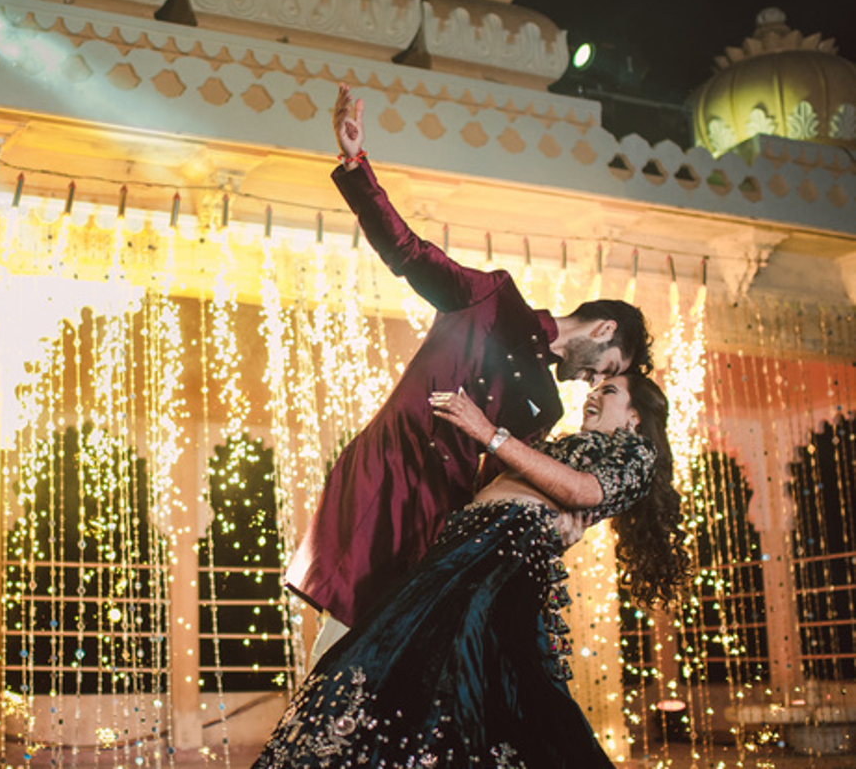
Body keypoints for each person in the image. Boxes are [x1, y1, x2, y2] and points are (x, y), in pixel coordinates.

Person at [286, 84, 654, 654]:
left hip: (441, 523)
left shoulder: (547, 405)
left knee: (394, 661)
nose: (592, 382)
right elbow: (407, 252)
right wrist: (356, 164)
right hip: (389, 475)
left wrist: (558, 520)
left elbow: (496, 485)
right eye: (606, 368)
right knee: (343, 648)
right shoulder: (491, 300)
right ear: (604, 330)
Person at [254, 372, 690, 769]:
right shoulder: (573, 446)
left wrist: (487, 433)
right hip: (469, 549)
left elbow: (583, 491)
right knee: (424, 670)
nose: (592, 396)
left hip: (495, 556)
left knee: (455, 674)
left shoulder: (636, 451)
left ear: (635, 416)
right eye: (594, 389)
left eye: (608, 391)